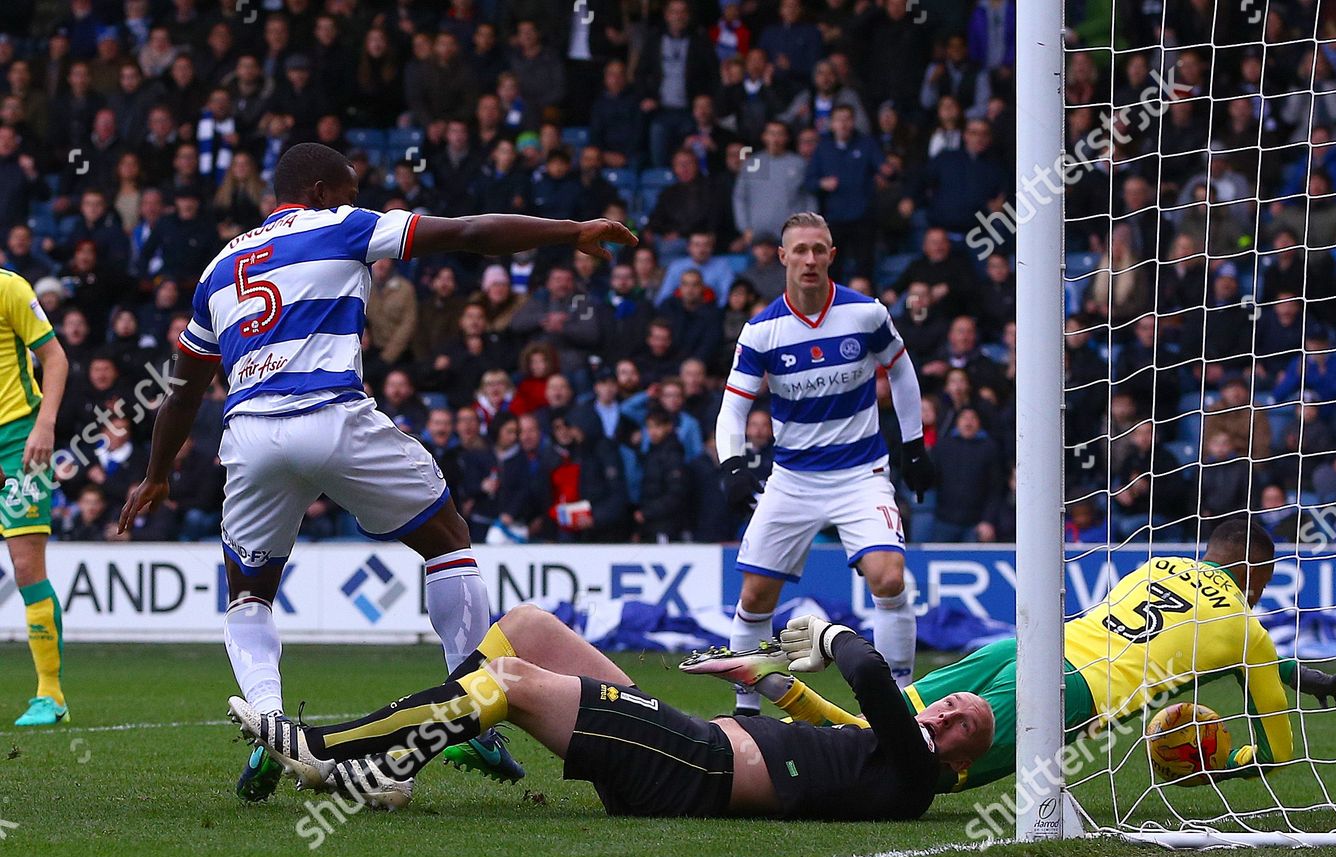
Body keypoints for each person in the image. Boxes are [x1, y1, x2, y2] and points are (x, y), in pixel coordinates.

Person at [117, 142, 636, 799]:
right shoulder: (346, 225)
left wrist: (157, 471)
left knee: (249, 594)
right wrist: (571, 230)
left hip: (248, 436)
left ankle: (271, 724)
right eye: (348, 188)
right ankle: (471, 704)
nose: (354, 198)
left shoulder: (217, 267)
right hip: (332, 413)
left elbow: (187, 386)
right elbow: (470, 232)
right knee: (448, 541)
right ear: (319, 188)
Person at [691, 518, 1336, 792]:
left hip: (1029, 646)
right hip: (1071, 693)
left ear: (1206, 554)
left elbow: (1192, 641)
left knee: (891, 720)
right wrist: (1227, 762)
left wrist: (1302, 675)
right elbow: (1275, 749)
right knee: (909, 770)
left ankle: (769, 693)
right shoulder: (1247, 629)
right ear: (1262, 582)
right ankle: (776, 688)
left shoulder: (1156, 564)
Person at [228, 604, 993, 819]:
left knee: (515, 679)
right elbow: (838, 720)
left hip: (693, 766)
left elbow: (865, 672)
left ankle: (334, 747)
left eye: (963, 722)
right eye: (953, 702)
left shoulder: (920, 774)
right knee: (528, 627)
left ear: (959, 758)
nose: (948, 711)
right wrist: (766, 676)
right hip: (688, 747)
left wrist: (824, 631)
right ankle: (391, 765)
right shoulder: (883, 756)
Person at [716, 211, 933, 714]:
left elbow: (902, 372)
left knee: (889, 576)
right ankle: (746, 714)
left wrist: (915, 445)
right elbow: (733, 406)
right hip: (792, 478)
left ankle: (900, 704)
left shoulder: (866, 314)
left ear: (831, 255)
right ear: (783, 257)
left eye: (820, 249)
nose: (810, 259)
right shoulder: (761, 331)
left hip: (862, 474)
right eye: (801, 250)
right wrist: (731, 463)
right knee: (754, 596)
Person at [0, 268, 69, 726]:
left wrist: (44, 425)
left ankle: (51, 695)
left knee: (26, 566)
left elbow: (55, 358)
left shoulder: (9, 287)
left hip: (18, 435)